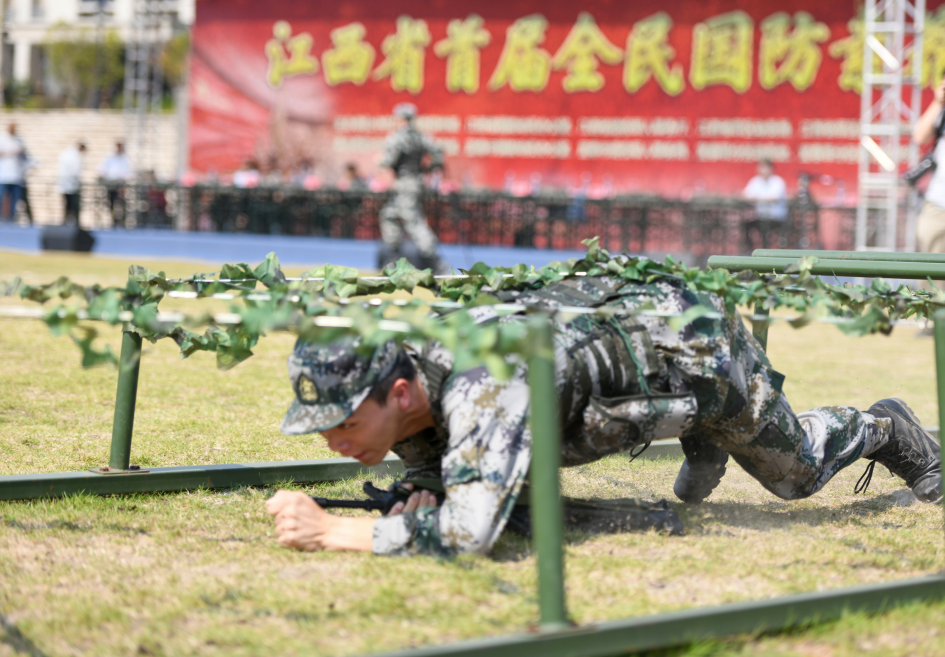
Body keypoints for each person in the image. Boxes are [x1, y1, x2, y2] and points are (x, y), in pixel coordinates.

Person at [266, 272, 942, 556]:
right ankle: (704, 443)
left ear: (401, 392)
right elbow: (436, 453)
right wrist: (427, 487)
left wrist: (335, 534)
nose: (333, 438)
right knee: (700, 465)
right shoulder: (408, 361)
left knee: (794, 474)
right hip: (630, 367)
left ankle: (884, 426)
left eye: (345, 421)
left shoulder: (485, 377)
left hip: (692, 347)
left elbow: (471, 531)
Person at [377, 103, 446, 272]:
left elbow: (388, 160)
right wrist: (428, 169)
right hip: (416, 183)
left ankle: (434, 261)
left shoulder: (398, 137)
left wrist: (379, 162)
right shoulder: (421, 137)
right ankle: (392, 258)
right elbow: (438, 154)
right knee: (389, 215)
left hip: (405, 183)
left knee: (413, 221)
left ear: (401, 118)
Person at [912, 77, 945, 255]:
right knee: (930, 276)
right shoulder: (941, 110)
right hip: (938, 204)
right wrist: (937, 101)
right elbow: (919, 136)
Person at [743, 159, 789, 250]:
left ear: (771, 169)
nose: (763, 170)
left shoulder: (778, 181)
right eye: (761, 167)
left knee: (765, 225)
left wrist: (757, 198)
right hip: (759, 216)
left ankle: (765, 252)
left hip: (776, 218)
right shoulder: (755, 181)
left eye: (765, 167)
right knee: (746, 224)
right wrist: (763, 198)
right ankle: (749, 251)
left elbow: (774, 198)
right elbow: (745, 195)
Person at [98, 141, 132, 225]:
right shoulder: (109, 157)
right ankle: (113, 219)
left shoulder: (125, 158)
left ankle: (122, 219)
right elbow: (102, 169)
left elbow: (128, 172)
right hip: (111, 185)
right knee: (111, 202)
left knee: (121, 203)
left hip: (120, 185)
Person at [0, 124, 26, 222]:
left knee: (15, 199)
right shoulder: (2, 139)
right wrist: (11, 152)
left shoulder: (19, 141)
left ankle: (11, 217)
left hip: (16, 176)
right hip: (3, 176)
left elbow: (23, 155)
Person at [57, 141, 86, 224]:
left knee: (66, 205)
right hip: (72, 185)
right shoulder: (75, 156)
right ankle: (75, 222)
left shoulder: (67, 153)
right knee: (74, 206)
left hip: (65, 184)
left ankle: (66, 222)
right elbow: (75, 171)